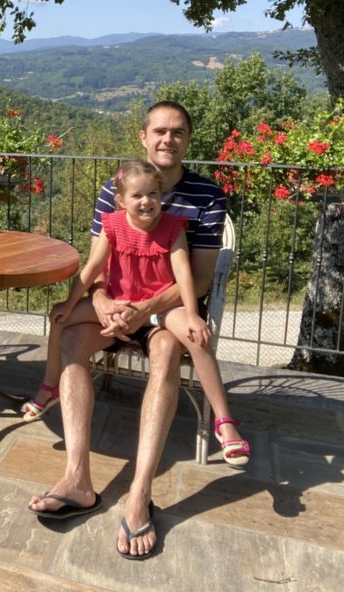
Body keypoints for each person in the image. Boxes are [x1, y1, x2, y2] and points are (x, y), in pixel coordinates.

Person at [27, 100, 230, 561]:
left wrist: (145, 309)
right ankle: (77, 478)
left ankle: (139, 494)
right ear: (144, 136)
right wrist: (99, 302)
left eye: (178, 131)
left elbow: (195, 281)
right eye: (159, 130)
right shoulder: (115, 187)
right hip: (118, 304)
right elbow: (100, 260)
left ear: (188, 139)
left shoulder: (207, 196)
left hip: (166, 311)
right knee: (75, 339)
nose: (168, 139)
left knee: (164, 357)